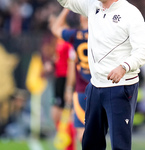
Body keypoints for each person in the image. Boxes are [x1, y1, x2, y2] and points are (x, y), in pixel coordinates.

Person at [57, 0, 145, 149]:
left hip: (121, 86)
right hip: (95, 86)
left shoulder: (130, 13)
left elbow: (143, 50)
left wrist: (124, 67)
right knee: (90, 144)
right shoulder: (93, 6)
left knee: (120, 145)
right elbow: (66, 1)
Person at [50, 9, 91, 144]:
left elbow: (55, 28)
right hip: (98, 87)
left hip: (80, 89)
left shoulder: (75, 35)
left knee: (81, 132)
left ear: (81, 18)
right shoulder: (100, 35)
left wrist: (66, 8)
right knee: (97, 132)